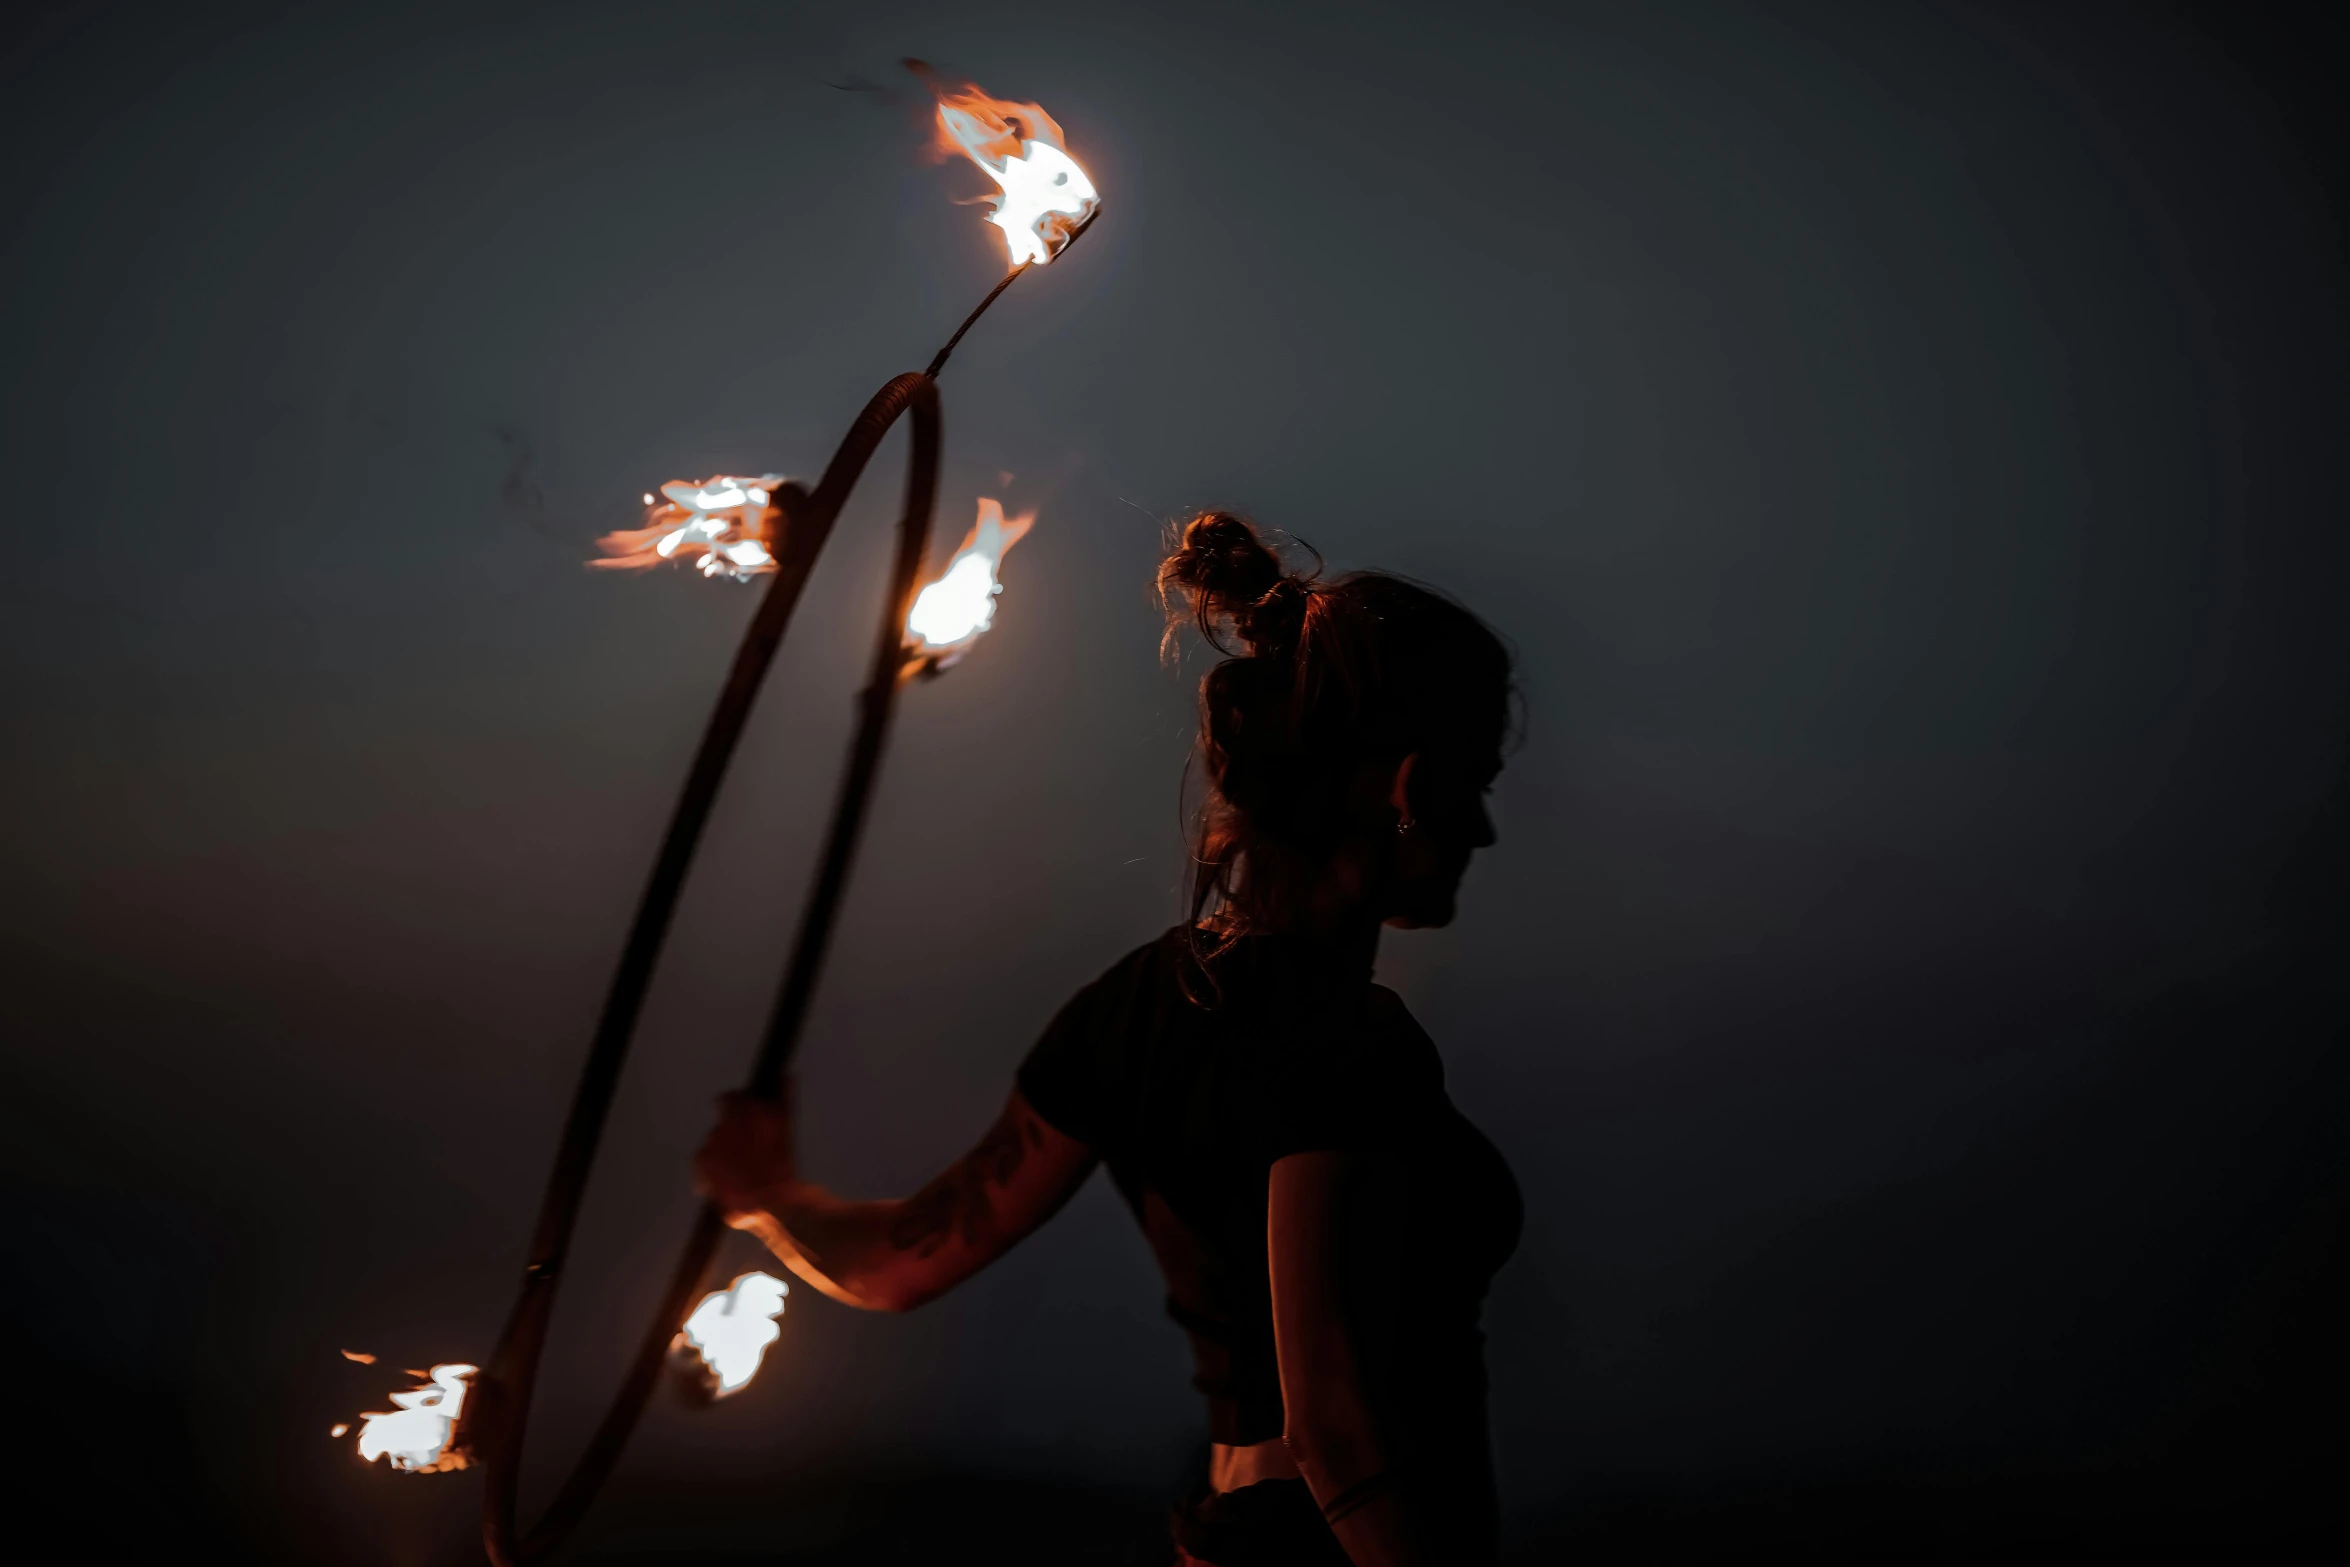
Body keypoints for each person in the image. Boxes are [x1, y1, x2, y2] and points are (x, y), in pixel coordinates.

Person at [696, 511, 1522, 1565]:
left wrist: (766, 1192)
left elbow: (898, 1267)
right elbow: (1336, 1431)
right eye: (1477, 782)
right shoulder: (1350, 1039)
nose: (1486, 828)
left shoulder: (1138, 1005)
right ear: (1409, 786)